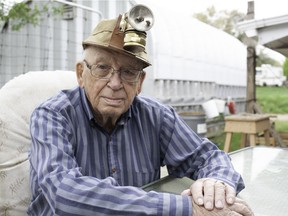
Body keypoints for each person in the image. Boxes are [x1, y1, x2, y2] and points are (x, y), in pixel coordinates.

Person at [28, 8, 253, 216]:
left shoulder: (157, 116)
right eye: (102, 68)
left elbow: (209, 156)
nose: (115, 83)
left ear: (140, 82)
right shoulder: (52, 115)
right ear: (80, 74)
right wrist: (187, 208)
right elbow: (64, 193)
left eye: (128, 72)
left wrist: (218, 184)